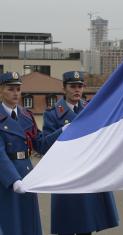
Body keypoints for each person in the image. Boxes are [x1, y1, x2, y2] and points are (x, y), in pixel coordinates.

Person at [43, 71, 119, 235]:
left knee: (87, 226)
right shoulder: (52, 114)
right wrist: (63, 130)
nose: (77, 90)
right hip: (65, 176)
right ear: (64, 88)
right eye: (72, 86)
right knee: (67, 226)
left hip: (87, 173)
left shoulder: (90, 109)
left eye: (80, 86)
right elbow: (44, 146)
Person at [0, 72, 64, 235]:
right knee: (10, 223)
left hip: (27, 176)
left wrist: (62, 131)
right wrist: (13, 180)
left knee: (28, 223)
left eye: (18, 89)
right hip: (6, 179)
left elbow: (40, 145)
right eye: (11, 89)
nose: (15, 93)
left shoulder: (26, 115)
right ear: (1, 91)